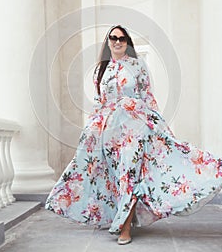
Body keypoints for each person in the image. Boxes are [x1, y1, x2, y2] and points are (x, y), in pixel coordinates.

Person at [45, 25, 222, 245]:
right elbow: (100, 103)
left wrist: (158, 124)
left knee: (128, 173)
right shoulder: (101, 70)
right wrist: (92, 128)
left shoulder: (138, 66)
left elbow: (148, 97)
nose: (117, 41)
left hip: (134, 129)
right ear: (108, 42)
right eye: (113, 38)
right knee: (110, 175)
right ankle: (119, 217)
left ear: (127, 42)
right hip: (109, 132)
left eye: (122, 38)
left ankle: (125, 228)